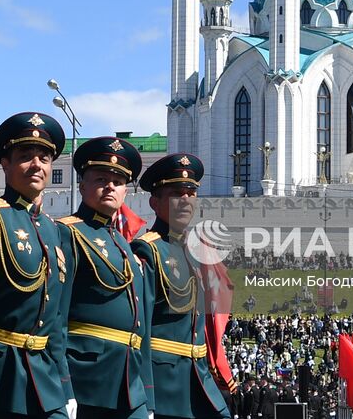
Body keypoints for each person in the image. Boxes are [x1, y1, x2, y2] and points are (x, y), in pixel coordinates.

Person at [0, 113, 72, 419]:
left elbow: (57, 319)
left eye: (44, 158)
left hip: (44, 373)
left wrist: (65, 385)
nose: (36, 165)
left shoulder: (54, 230)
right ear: (6, 164)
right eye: (25, 157)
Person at [59, 136, 155, 419]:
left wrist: (148, 397)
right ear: (82, 186)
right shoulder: (68, 233)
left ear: (126, 191)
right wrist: (64, 387)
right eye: (101, 178)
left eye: (119, 181)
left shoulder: (125, 245)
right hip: (87, 378)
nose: (110, 186)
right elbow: (56, 318)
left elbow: (142, 329)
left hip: (130, 380)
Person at [131, 153, 230, 419]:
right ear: (155, 202)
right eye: (176, 193)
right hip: (164, 384)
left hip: (198, 379)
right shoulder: (146, 251)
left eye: (191, 193)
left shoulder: (197, 252)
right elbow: (139, 330)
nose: (185, 199)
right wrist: (145, 397)